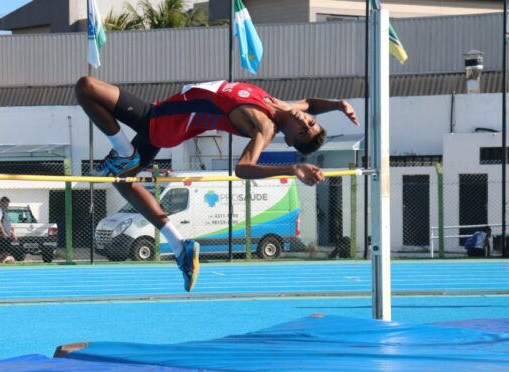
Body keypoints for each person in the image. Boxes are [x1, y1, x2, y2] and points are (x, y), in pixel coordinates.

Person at [75, 77, 358, 290]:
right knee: (124, 183)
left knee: (86, 87)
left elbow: (243, 168)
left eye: (304, 130)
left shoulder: (265, 125)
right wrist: (337, 104)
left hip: (159, 121)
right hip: (166, 120)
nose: (306, 122)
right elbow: (310, 103)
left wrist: (292, 168)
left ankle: (125, 154)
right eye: (311, 123)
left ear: (290, 139)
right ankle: (179, 245)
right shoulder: (284, 107)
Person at [0, 196, 18, 263]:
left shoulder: (4, 212)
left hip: (6, 234)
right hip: (1, 235)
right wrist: (3, 233)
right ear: (2, 203)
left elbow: (7, 224)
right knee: (7, 250)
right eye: (6, 203)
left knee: (7, 250)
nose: (7, 205)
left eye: (8, 204)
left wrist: (12, 233)